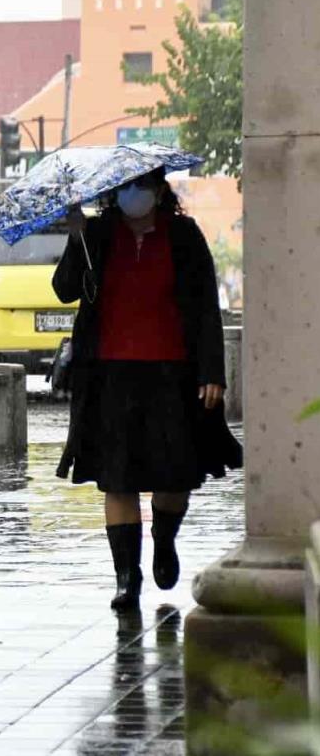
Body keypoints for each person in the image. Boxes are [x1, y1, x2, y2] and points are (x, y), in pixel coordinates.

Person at [53, 169, 242, 611]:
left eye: (139, 187)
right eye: (122, 187)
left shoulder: (184, 235)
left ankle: (164, 537)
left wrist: (212, 372)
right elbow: (63, 291)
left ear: (159, 191)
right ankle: (126, 577)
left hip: (172, 375)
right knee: (116, 479)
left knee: (174, 476)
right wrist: (75, 237)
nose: (130, 194)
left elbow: (203, 309)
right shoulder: (97, 233)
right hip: (109, 376)